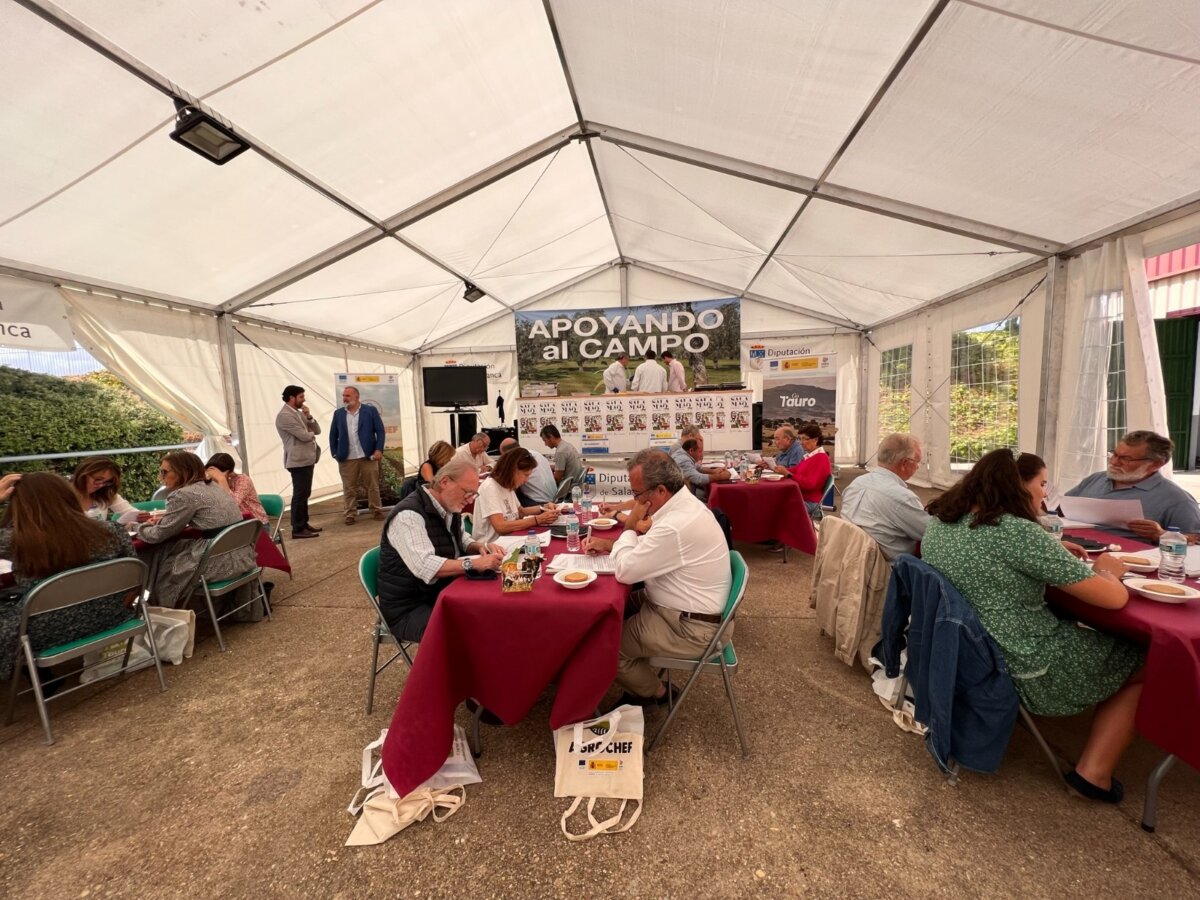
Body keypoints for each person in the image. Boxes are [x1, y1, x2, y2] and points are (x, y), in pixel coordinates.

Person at [922, 449, 1145, 803]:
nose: (1046, 491)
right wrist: (1108, 569)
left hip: (966, 651)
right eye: (1042, 483)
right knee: (1148, 658)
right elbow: (1113, 599)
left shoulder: (943, 520)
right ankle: (1094, 773)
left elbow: (996, 562)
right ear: (1018, 486)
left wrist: (1051, 549)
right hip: (1024, 662)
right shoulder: (1017, 533)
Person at [581, 451, 731, 705]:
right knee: (604, 614)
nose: (636, 500)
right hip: (680, 607)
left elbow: (626, 571)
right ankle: (629, 675)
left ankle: (656, 692)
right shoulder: (685, 505)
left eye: (638, 494)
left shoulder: (675, 524)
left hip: (691, 628)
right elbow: (651, 549)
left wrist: (630, 523)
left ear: (660, 490)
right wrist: (610, 545)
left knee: (607, 649)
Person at [0, 473, 136, 685]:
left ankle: (35, 678)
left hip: (46, 633)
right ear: (69, 495)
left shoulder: (17, 541)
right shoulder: (111, 531)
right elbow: (134, 574)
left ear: (21, 505)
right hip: (113, 617)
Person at [377, 460, 505, 642]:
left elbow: (461, 539)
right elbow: (426, 566)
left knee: (494, 610)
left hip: (439, 593)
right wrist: (474, 563)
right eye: (467, 493)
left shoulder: (448, 507)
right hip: (410, 609)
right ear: (445, 482)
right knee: (477, 630)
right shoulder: (408, 515)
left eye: (473, 495)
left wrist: (481, 547)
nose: (469, 500)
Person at [135, 452, 258, 609]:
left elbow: (158, 535)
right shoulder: (213, 486)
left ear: (182, 471)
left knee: (158, 559)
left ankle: (159, 611)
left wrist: (136, 527)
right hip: (242, 556)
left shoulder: (183, 495)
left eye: (164, 472)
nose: (161, 477)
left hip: (218, 562)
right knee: (169, 550)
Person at [1064, 430, 1200, 542]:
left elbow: (1195, 538)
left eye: (1126, 459)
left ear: (1156, 464)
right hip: (1073, 545)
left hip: (1126, 559)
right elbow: (1062, 507)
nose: (1114, 462)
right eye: (1114, 454)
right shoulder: (1097, 478)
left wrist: (1162, 534)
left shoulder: (1177, 499)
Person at [841, 433, 931, 560]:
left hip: (850, 559)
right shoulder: (901, 497)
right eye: (918, 462)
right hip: (886, 570)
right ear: (904, 463)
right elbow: (932, 533)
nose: (917, 466)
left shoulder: (856, 483)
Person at [471, 448, 558, 546]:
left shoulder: (508, 485)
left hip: (509, 540)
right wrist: (537, 520)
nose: (526, 480)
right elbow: (501, 527)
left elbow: (520, 512)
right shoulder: (489, 487)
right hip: (492, 547)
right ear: (512, 470)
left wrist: (543, 507)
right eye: (525, 475)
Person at [329, 386, 387, 526]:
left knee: (372, 485)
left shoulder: (370, 411)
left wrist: (378, 449)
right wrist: (335, 453)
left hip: (368, 455)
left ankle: (376, 510)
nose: (345, 398)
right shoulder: (338, 414)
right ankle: (350, 513)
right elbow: (333, 435)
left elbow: (380, 431)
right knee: (349, 487)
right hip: (347, 457)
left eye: (348, 395)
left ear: (356, 396)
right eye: (344, 395)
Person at [275, 385, 322, 540]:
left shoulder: (299, 413)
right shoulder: (285, 416)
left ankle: (304, 523)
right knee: (300, 494)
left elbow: (317, 430)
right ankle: (297, 528)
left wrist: (308, 416)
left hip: (307, 458)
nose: (304, 400)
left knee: (305, 493)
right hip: (298, 461)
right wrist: (311, 435)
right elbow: (305, 436)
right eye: (301, 397)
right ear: (291, 398)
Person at [768, 424, 830, 515]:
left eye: (805, 439)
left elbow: (810, 484)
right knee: (772, 501)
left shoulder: (821, 458)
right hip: (802, 497)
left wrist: (788, 474)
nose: (801, 442)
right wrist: (778, 469)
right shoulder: (810, 457)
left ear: (816, 440)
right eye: (800, 439)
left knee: (774, 507)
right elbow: (795, 469)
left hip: (809, 501)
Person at [71, 456, 144, 525]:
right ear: (82, 474)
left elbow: (131, 512)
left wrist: (143, 516)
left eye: (107, 482)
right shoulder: (64, 494)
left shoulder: (105, 493)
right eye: (98, 479)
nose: (100, 485)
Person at [204, 453, 268, 525]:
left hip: (256, 523)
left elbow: (233, 504)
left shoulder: (243, 480)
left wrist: (221, 480)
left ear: (229, 473)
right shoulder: (213, 482)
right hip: (234, 524)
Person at [500, 437, 556, 506]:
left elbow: (509, 484)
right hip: (553, 498)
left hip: (538, 501)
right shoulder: (536, 454)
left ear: (509, 454)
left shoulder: (519, 460)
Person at [671, 436, 730, 502]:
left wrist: (714, 471)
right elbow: (698, 479)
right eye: (699, 452)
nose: (701, 455)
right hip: (682, 500)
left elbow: (698, 468)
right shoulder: (683, 460)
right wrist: (720, 477)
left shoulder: (684, 454)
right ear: (691, 451)